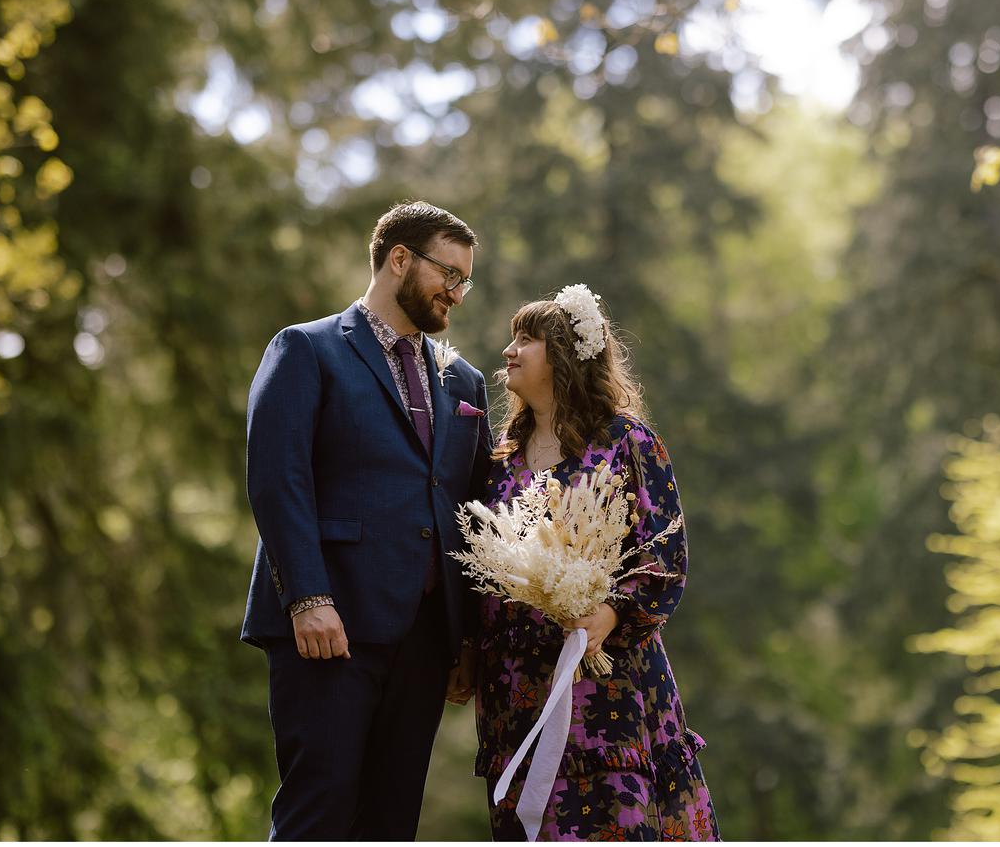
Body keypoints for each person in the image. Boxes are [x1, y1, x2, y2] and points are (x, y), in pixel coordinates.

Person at [240, 201, 492, 840]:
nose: (457, 294)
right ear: (399, 259)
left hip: (426, 639)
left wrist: (464, 638)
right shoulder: (307, 349)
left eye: (466, 280)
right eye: (450, 274)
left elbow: (472, 509)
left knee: (392, 820)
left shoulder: (463, 381)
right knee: (317, 813)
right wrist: (307, 597)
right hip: (329, 626)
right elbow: (278, 481)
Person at [471, 285, 720, 841]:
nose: (508, 351)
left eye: (525, 339)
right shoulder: (498, 459)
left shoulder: (627, 441)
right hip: (516, 692)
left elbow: (665, 553)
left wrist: (609, 615)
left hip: (608, 687)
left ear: (561, 356)